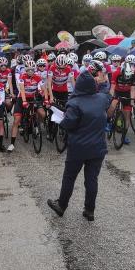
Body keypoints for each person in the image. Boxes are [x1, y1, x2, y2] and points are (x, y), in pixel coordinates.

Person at [46, 70, 111, 221]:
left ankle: (61, 205)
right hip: (98, 147)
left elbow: (68, 124)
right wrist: (102, 83)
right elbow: (107, 94)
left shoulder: (74, 103)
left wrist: (60, 119)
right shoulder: (102, 99)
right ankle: (89, 210)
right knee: (91, 179)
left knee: (69, 177)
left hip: (78, 148)